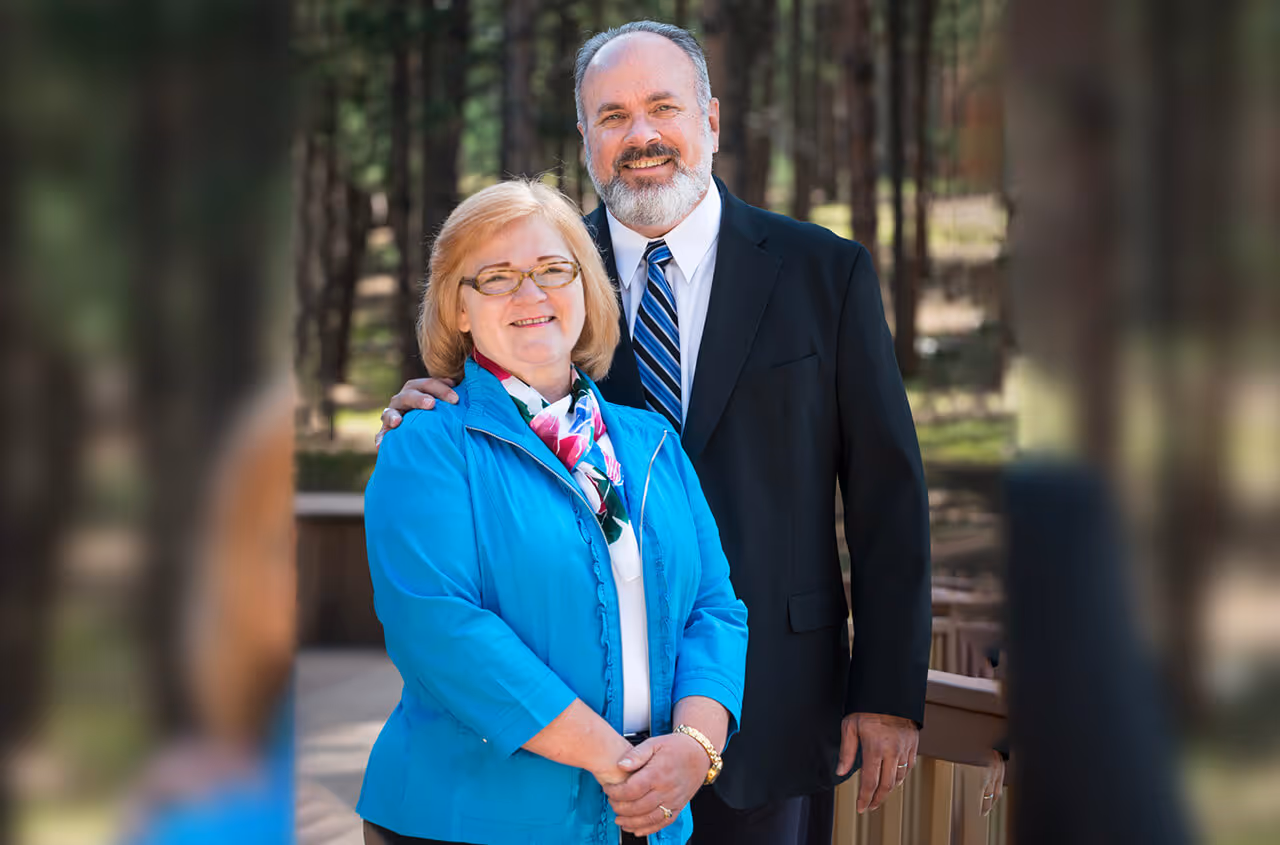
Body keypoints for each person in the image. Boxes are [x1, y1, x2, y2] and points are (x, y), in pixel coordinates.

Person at [378, 21, 931, 845]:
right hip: (573, 746)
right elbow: (487, 413)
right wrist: (429, 399)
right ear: (585, 138)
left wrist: (885, 690)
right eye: (612, 116)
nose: (641, 136)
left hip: (776, 702)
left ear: (711, 119)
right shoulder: (548, 275)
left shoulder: (825, 271)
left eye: (663, 108)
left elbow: (889, 493)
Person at [358, 179, 749, 845]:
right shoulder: (427, 444)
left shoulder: (650, 442)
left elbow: (714, 607)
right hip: (473, 822)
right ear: (458, 308)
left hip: (646, 814)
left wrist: (693, 748)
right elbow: (441, 629)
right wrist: (618, 762)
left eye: (552, 270)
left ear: (585, 287)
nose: (531, 294)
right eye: (498, 277)